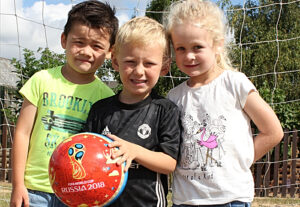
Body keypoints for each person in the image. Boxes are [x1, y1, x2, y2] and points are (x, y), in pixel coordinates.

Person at [163, 0, 284, 206]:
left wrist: (239, 162)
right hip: (186, 200)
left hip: (231, 198)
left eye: (197, 47)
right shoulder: (173, 96)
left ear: (218, 44)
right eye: (181, 48)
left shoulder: (234, 83)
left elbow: (273, 131)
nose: (189, 55)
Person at [10, 1, 118, 207]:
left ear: (110, 51)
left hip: (77, 192)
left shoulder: (106, 96)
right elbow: (22, 133)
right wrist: (17, 185)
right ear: (64, 40)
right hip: (34, 191)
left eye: (96, 46)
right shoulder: (41, 80)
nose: (87, 51)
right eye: (79, 42)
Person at [84, 16, 181, 207]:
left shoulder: (165, 110)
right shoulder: (100, 110)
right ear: (115, 61)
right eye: (130, 61)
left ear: (164, 67)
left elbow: (169, 163)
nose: (138, 71)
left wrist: (134, 151)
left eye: (149, 64)